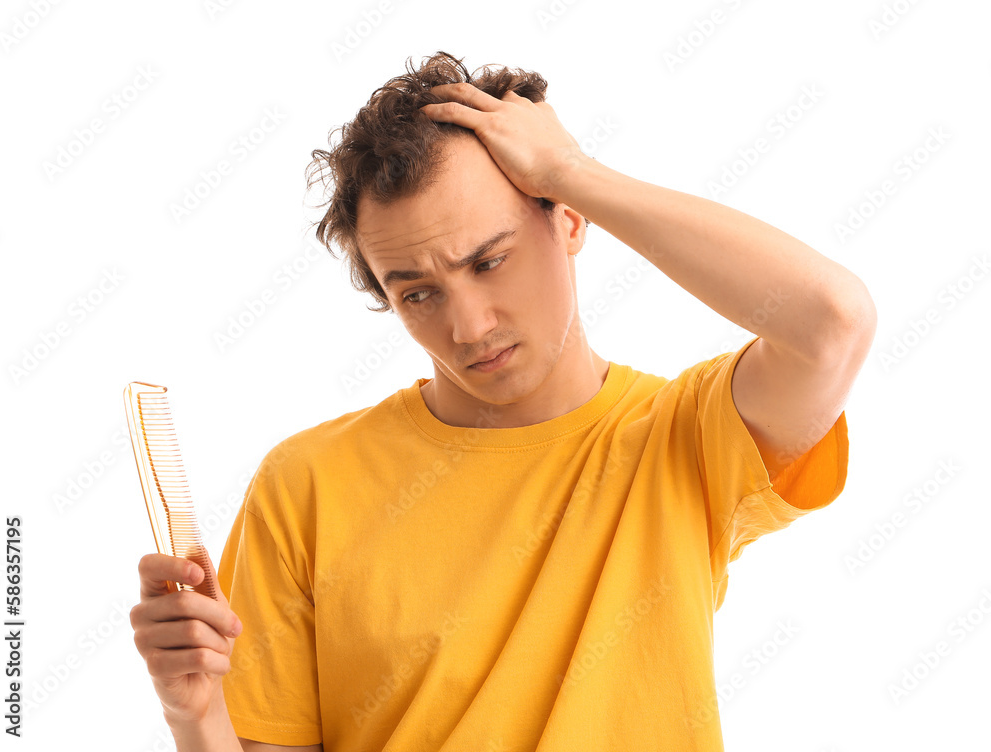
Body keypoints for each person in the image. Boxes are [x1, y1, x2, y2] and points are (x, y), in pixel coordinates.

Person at [130, 51, 876, 751]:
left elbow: (831, 323)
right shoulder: (305, 484)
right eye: (417, 292)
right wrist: (194, 717)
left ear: (571, 218)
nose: (467, 326)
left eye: (490, 261)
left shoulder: (684, 440)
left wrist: (571, 169)